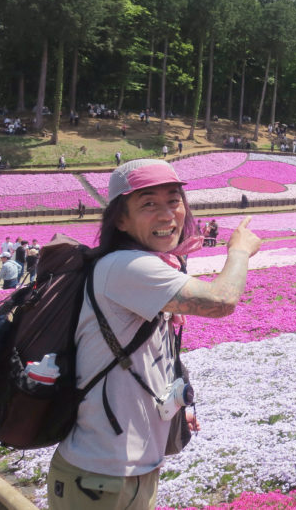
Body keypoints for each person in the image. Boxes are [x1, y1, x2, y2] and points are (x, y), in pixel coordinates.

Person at [47, 158, 260, 510]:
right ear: (120, 219)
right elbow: (221, 301)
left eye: (174, 200)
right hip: (99, 477)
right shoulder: (126, 266)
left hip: (124, 472)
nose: (166, 215)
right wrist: (239, 251)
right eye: (148, 204)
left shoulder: (148, 264)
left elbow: (144, 361)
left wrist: (170, 407)